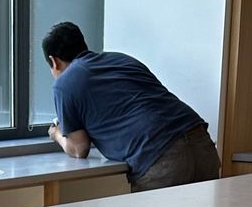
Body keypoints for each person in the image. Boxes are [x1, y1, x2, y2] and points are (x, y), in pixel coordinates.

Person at [41, 22, 219, 192]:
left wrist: (57, 134)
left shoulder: (64, 84)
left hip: (161, 156)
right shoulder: (121, 59)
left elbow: (79, 149)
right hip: (201, 143)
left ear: (53, 61)